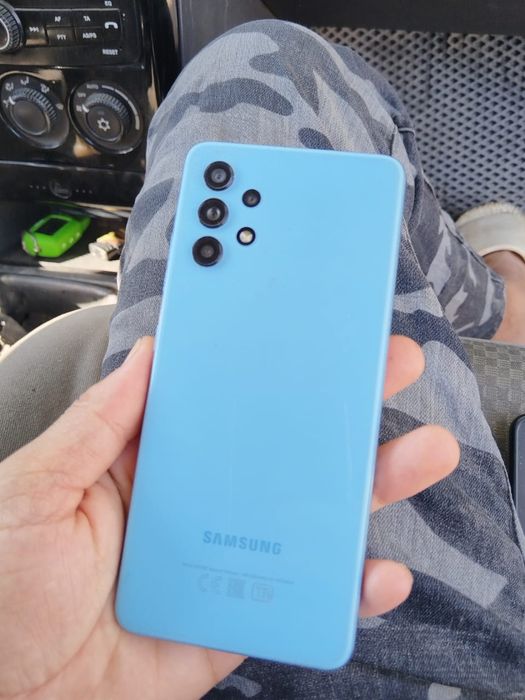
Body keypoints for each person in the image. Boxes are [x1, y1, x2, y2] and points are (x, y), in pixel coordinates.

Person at [1, 19, 524, 700]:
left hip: (113, 644)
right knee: (263, 61)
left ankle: (493, 296)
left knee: (241, 76)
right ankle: (500, 305)